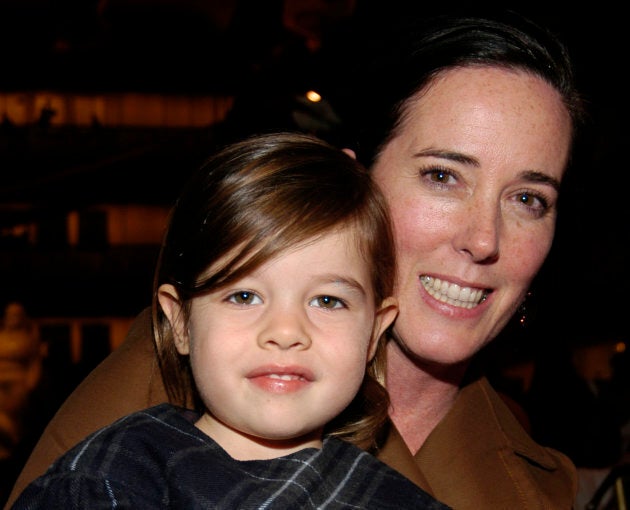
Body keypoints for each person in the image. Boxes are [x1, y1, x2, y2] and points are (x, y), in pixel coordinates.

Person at [5, 10, 586, 509]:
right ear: (354, 187)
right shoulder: (154, 409)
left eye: (529, 199)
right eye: (442, 176)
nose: (484, 239)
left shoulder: (540, 482)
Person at [11, 132, 449, 509]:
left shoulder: (394, 497)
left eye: (328, 301)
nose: (286, 332)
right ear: (180, 322)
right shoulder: (112, 477)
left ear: (374, 331)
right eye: (244, 296)